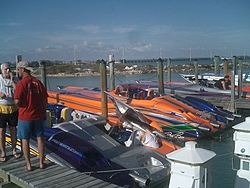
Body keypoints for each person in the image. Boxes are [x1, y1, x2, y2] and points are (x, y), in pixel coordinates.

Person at [14, 61, 48, 171]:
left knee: (25, 139)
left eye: (18, 70)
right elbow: (44, 100)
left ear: (23, 70)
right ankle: (41, 162)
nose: (18, 72)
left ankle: (28, 164)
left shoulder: (21, 84)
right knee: (40, 138)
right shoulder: (37, 82)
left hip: (25, 116)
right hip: (38, 115)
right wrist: (43, 112)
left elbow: (17, 101)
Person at [0, 63, 20, 162]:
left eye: (9, 69)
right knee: (1, 131)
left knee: (13, 130)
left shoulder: (15, 79)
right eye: (5, 69)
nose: (8, 71)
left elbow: (18, 91)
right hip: (2, 108)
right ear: (1, 70)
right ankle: (3, 152)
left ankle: (14, 150)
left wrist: (12, 81)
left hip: (13, 108)